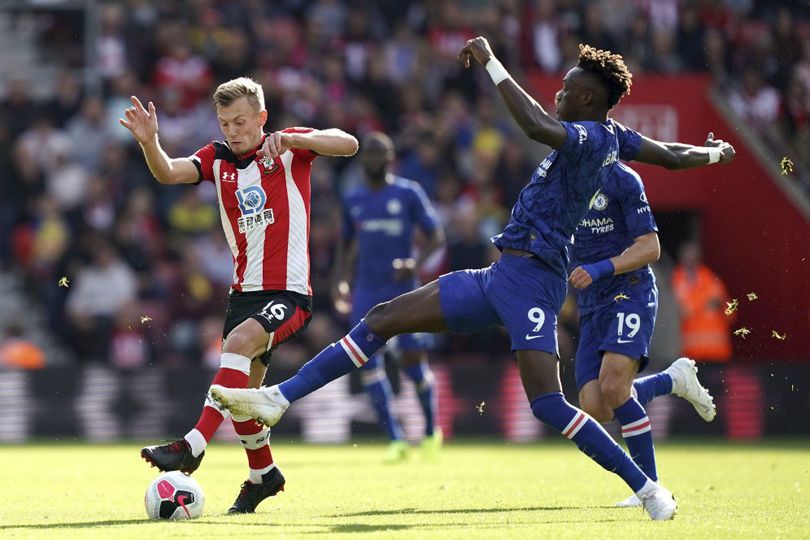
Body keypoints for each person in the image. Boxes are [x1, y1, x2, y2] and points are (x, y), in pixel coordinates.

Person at [212, 38, 678, 520]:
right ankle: (276, 397)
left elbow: (535, 122)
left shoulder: (592, 137)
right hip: (501, 272)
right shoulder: (616, 137)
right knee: (383, 318)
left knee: (547, 403)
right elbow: (671, 156)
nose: (558, 93)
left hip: (536, 281)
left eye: (567, 87)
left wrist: (492, 62)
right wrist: (712, 155)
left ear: (588, 100)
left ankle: (648, 489)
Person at [119, 76, 358, 513]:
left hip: (288, 290)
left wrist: (290, 138)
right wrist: (149, 143)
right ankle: (263, 475)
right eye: (225, 122)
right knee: (244, 399)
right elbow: (169, 172)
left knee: (236, 344)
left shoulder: (290, 146)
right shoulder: (217, 158)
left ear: (262, 119)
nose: (232, 130)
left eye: (241, 121)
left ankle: (192, 445)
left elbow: (349, 143)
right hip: (243, 294)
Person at [568, 129, 735, 508]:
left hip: (629, 290)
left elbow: (651, 247)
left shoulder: (623, 179)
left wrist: (599, 268)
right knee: (596, 404)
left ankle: (649, 487)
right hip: (591, 301)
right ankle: (671, 379)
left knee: (613, 385)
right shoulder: (564, 180)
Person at [334, 132, 445, 462]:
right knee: (367, 362)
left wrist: (416, 263)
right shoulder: (353, 199)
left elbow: (436, 236)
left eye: (380, 153)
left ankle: (429, 431)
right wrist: (341, 280)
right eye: (368, 153)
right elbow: (345, 245)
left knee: (413, 365)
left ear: (391, 157)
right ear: (362, 159)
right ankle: (395, 439)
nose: (373, 158)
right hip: (366, 290)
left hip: (404, 292)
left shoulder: (408, 193)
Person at [671, 241, 734, 363]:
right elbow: (683, 312)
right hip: (690, 354)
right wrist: (704, 301)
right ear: (681, 259)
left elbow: (731, 314)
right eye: (687, 257)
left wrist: (720, 304)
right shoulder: (675, 281)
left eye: (694, 258)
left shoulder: (711, 279)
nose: (691, 261)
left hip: (718, 352)